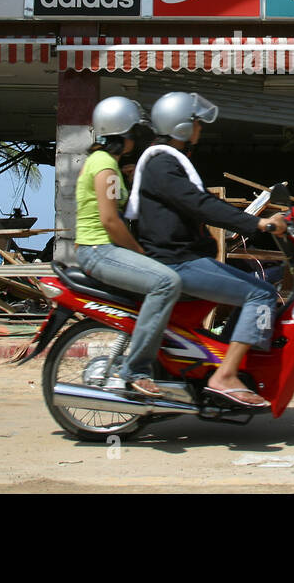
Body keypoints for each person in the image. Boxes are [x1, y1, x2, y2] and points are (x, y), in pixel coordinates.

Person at [126, 91, 288, 409]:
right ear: (182, 127)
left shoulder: (165, 162)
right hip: (178, 263)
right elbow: (200, 204)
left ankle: (227, 360)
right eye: (196, 123)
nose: (201, 129)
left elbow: (199, 204)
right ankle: (224, 376)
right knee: (262, 295)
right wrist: (256, 225)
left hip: (185, 258)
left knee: (255, 279)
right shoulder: (162, 164)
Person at [73, 96, 182, 399]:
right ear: (123, 134)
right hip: (99, 250)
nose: (136, 138)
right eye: (134, 132)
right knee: (166, 282)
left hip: (98, 248)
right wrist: (138, 252)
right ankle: (136, 369)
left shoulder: (105, 164)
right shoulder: (105, 166)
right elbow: (110, 221)